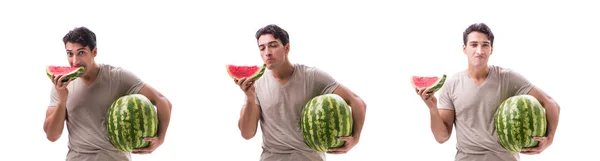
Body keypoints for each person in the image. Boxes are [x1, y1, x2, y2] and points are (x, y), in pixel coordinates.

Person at [415, 23, 561, 161]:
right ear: (464, 48)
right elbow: (442, 137)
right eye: (474, 44)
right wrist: (432, 108)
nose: (479, 50)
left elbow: (551, 103)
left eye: (485, 45)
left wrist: (550, 139)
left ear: (491, 49)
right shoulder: (451, 84)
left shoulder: (508, 78)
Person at [234, 24, 367, 161]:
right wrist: (250, 97)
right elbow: (247, 133)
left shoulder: (313, 77)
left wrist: (355, 139)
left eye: (273, 45)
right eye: (262, 48)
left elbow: (358, 102)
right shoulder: (257, 83)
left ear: (287, 48)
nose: (267, 52)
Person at [43, 26, 173, 161]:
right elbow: (52, 136)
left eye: (81, 53)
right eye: (70, 54)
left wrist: (161, 138)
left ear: (94, 52)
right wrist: (62, 100)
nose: (75, 61)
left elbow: (163, 101)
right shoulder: (61, 85)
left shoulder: (117, 77)